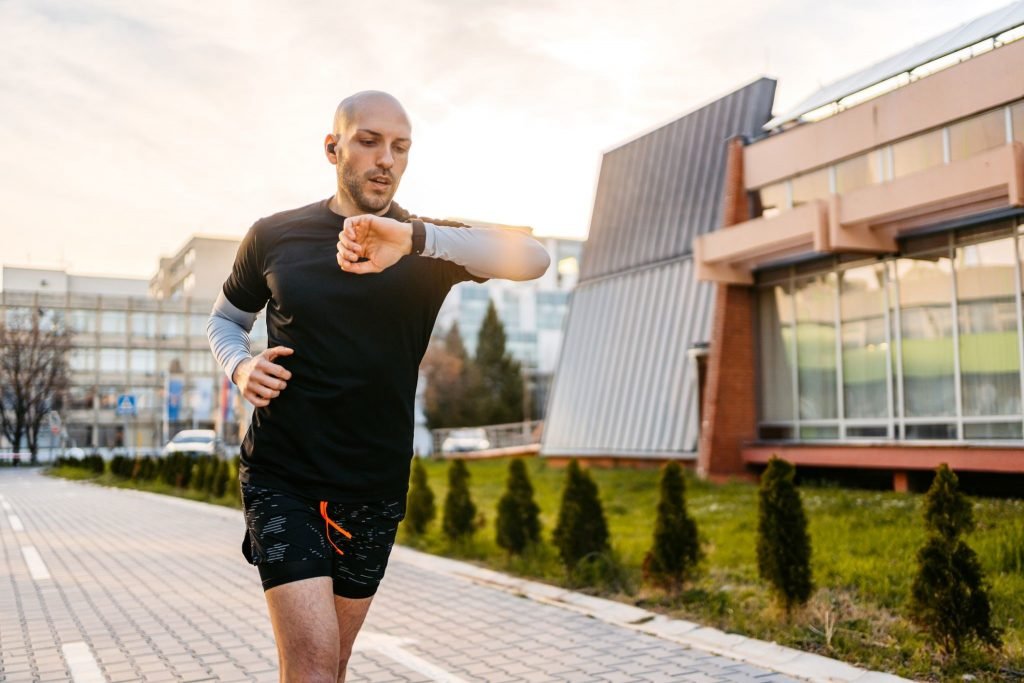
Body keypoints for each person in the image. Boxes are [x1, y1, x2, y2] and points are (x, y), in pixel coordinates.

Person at [206, 90, 550, 682]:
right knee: (312, 665)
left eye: (401, 147)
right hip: (283, 473)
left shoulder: (429, 244)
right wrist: (240, 366)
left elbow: (535, 258)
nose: (386, 158)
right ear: (334, 147)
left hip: (375, 484)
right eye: (369, 141)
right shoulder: (275, 235)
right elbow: (225, 320)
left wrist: (415, 239)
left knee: (332, 665)